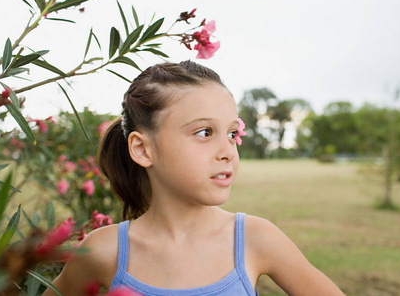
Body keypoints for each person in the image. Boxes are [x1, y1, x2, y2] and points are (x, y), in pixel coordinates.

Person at [43, 61, 345, 296]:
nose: (228, 151)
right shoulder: (103, 251)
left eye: (232, 133)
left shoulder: (256, 239)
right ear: (143, 148)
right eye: (204, 132)